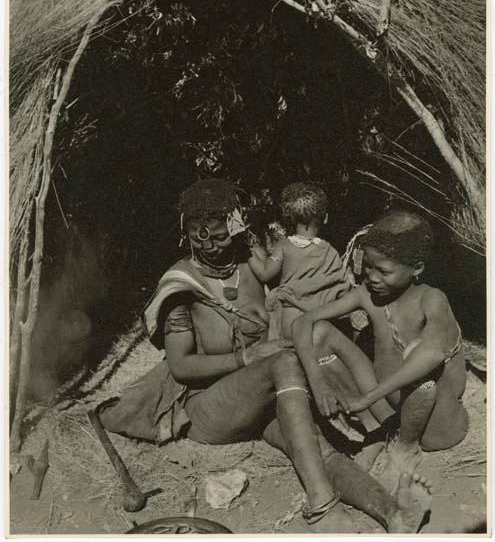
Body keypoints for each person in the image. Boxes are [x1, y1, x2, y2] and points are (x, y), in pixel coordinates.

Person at [98, 182, 432, 533]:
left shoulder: (252, 266)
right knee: (284, 363)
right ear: (187, 235)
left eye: (220, 236)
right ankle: (322, 506)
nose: (211, 247)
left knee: (317, 452)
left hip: (262, 395)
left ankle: (393, 514)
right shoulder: (181, 285)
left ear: (235, 226)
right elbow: (181, 367)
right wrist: (249, 355)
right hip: (206, 409)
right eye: (200, 239)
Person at [291, 210, 468, 492]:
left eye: (383, 271)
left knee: (419, 364)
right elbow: (303, 322)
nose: (372, 277)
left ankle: (405, 447)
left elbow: (432, 354)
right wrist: (318, 380)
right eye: (368, 267)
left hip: (434, 416)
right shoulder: (367, 294)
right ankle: (378, 433)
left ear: (417, 268)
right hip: (388, 407)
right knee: (319, 332)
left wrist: (367, 397)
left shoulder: (432, 299)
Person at [248, 182, 351, 340]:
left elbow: (264, 274)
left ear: (289, 219)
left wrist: (245, 251)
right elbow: (342, 288)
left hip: (292, 320)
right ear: (325, 218)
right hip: (323, 321)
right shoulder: (330, 250)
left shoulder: (284, 246)